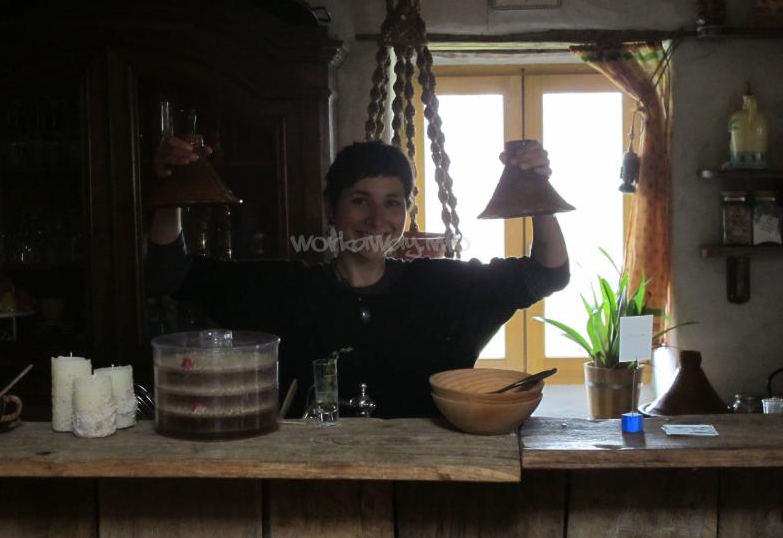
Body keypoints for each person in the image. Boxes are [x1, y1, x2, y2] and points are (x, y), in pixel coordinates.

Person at [146, 138, 569, 419]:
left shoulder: (446, 288)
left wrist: (535, 188)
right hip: (313, 489)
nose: (377, 218)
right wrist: (171, 191)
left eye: (392, 203)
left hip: (427, 485)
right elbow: (172, 273)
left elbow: (548, 272)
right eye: (360, 201)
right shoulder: (284, 290)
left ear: (406, 212)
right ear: (332, 209)